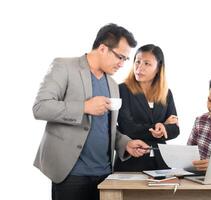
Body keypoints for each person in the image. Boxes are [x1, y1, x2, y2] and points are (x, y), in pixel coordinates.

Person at [33, 23, 149, 200]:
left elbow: (107, 126)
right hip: (71, 174)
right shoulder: (64, 66)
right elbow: (41, 107)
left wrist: (125, 143)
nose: (122, 64)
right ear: (103, 48)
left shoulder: (112, 84)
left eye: (125, 59)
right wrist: (85, 107)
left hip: (105, 174)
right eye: (120, 57)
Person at [114, 44, 180, 172]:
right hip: (131, 161)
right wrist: (160, 126)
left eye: (147, 64)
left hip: (160, 162)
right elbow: (127, 128)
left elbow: (175, 129)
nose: (139, 67)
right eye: (137, 62)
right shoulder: (122, 89)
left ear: (158, 67)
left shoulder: (166, 93)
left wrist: (165, 128)